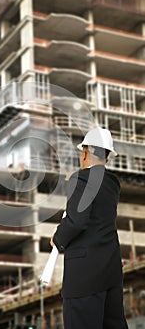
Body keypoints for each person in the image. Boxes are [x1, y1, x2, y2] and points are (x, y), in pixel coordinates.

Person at [50, 127, 128, 329]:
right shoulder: (113, 184)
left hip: (85, 276)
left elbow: (77, 220)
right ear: (108, 157)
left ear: (85, 152)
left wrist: (58, 239)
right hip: (111, 272)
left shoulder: (81, 179)